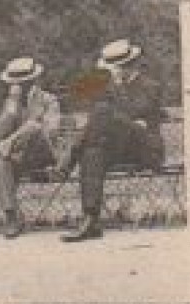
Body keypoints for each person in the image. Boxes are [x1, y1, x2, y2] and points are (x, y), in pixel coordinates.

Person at [55, 39, 166, 243]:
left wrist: (114, 87)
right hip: (117, 147)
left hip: (145, 150)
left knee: (103, 110)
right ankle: (91, 220)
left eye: (115, 68)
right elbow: (73, 95)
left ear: (128, 65)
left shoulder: (151, 86)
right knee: (92, 153)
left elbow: (134, 112)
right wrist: (100, 80)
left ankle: (69, 158)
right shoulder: (109, 87)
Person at [0, 56, 60, 238]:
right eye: (15, 83)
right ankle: (12, 218)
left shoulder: (49, 100)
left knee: (33, 127)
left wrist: (24, 131)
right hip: (17, 158)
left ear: (34, 80)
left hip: (43, 156)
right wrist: (11, 110)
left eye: (23, 83)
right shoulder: (11, 104)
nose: (18, 87)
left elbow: (51, 132)